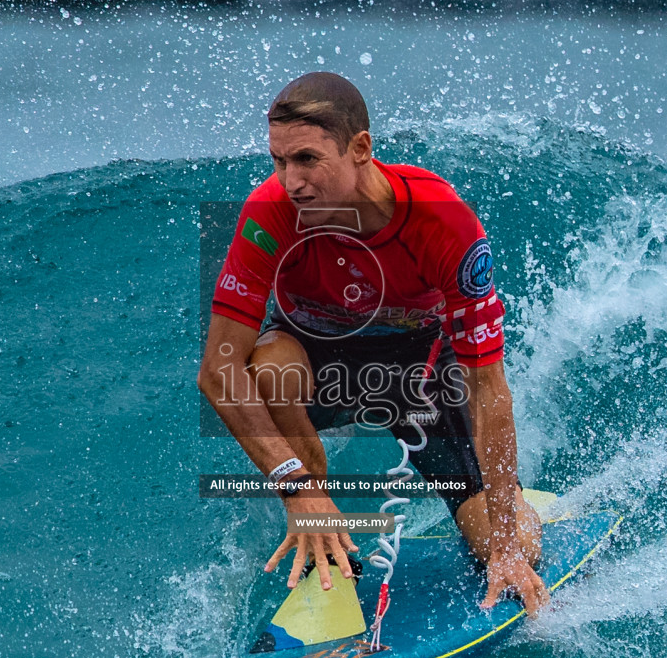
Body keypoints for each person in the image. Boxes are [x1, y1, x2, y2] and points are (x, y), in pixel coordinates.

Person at [197, 72, 548, 614]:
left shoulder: (440, 219)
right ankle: (320, 524)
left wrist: (504, 541)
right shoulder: (270, 211)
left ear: (360, 148)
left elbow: (487, 388)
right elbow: (219, 370)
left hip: (422, 366)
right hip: (314, 354)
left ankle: (519, 513)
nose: (290, 181)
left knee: (504, 544)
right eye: (278, 161)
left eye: (307, 160)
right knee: (268, 370)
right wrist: (295, 485)